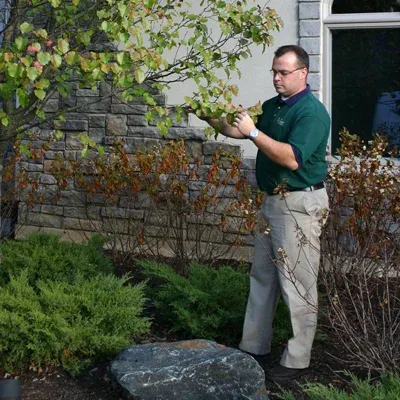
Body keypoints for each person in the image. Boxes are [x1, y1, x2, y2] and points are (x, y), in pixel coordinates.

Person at [195, 45, 330, 382]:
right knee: (262, 278)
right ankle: (254, 346)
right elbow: (238, 130)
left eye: (283, 72)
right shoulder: (274, 106)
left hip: (299, 204)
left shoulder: (311, 113)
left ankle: (298, 360)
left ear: (303, 73)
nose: (276, 77)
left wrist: (254, 131)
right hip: (271, 202)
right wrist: (210, 117)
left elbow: (291, 158)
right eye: (274, 71)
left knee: (297, 283)